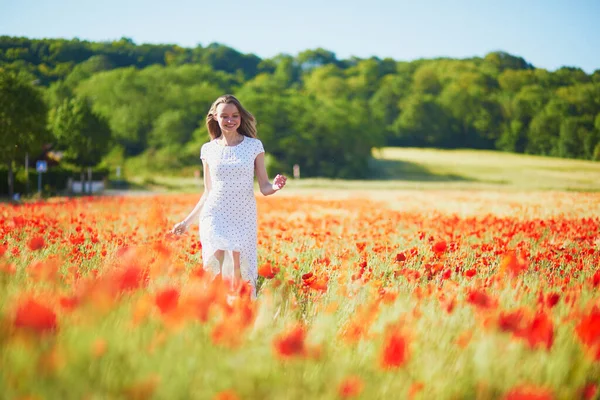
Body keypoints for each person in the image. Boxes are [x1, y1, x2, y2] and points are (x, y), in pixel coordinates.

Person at [171, 94, 287, 299]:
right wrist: (187, 222)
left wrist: (275, 187)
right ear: (215, 117)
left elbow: (264, 186)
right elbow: (208, 191)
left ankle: (238, 308)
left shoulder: (254, 146)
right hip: (214, 213)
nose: (230, 120)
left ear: (241, 117)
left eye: (235, 115)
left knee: (237, 265)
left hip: (243, 215)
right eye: (225, 116)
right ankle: (209, 304)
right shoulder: (208, 149)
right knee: (216, 260)